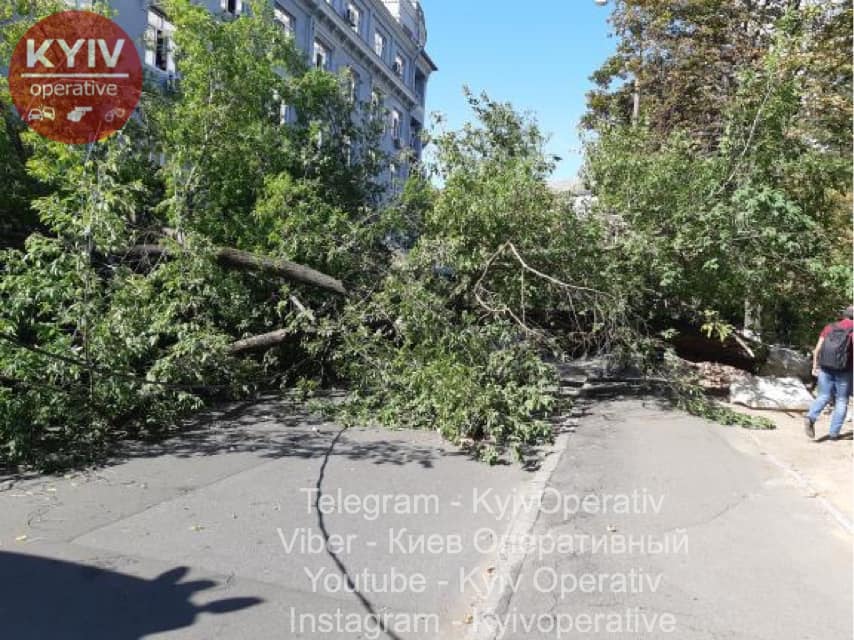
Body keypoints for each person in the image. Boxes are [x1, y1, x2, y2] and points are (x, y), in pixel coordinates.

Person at [804, 305, 854, 440]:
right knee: (842, 400)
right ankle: (834, 434)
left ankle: (810, 417)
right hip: (845, 370)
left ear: (844, 314)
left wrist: (815, 366)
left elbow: (818, 348)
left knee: (823, 396)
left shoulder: (830, 327)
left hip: (825, 367)